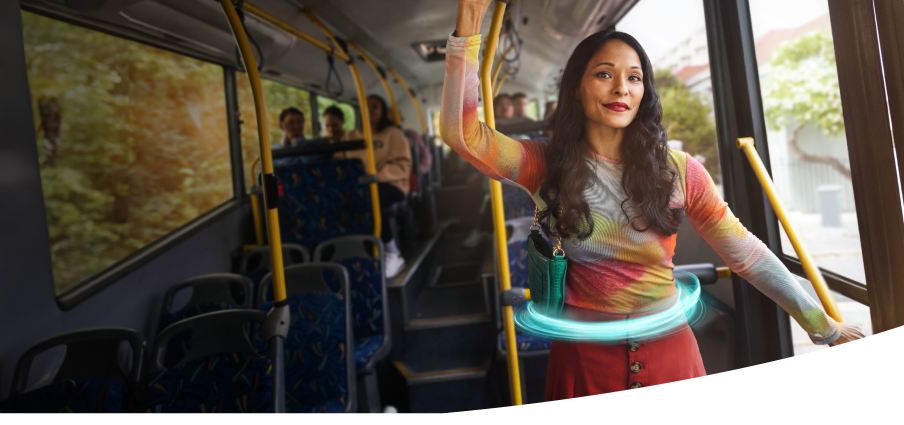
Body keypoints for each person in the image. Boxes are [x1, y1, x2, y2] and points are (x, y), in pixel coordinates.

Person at [444, 0, 864, 400]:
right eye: (604, 74)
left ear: (645, 90)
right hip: (584, 362)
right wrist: (467, 28)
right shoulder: (544, 164)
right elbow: (463, 135)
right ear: (576, 87)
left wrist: (823, 327)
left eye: (634, 77)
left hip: (671, 354)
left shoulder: (680, 171)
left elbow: (748, 254)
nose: (620, 88)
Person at [340, 95, 413, 278]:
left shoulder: (393, 134)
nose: (370, 110)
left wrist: (375, 177)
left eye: (375, 107)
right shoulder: (350, 136)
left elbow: (402, 164)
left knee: (374, 198)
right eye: (366, 106)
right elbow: (340, 164)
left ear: (383, 111)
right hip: (359, 185)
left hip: (390, 183)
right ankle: (357, 251)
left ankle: (392, 252)